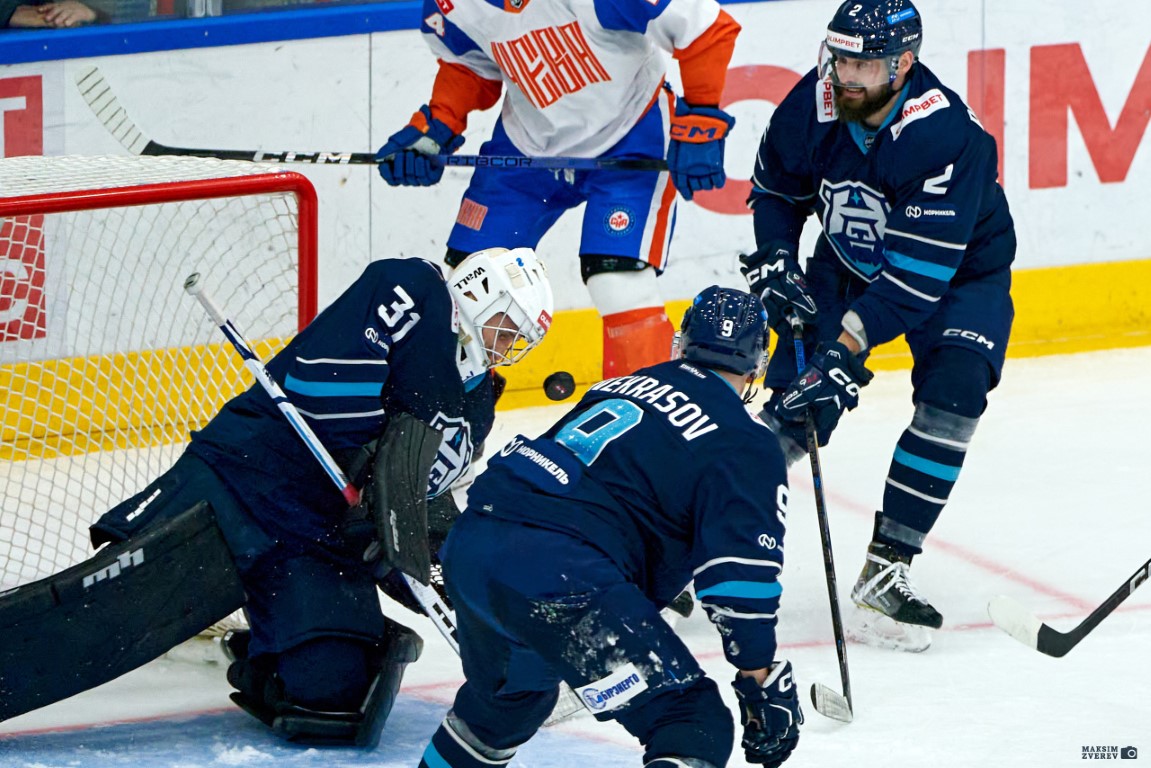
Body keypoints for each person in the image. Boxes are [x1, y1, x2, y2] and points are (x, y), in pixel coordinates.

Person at [0, 247, 554, 746]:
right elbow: (323, 382)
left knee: (335, 702)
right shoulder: (414, 288)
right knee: (98, 615)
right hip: (247, 479)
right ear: (480, 290)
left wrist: (427, 561)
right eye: (509, 325)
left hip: (316, 539)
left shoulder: (476, 406)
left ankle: (260, 644)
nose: (510, 346)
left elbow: (418, 500)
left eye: (522, 340)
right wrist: (378, 481)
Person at [418, 285, 803, 768]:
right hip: (559, 575)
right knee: (690, 723)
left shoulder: (624, 385)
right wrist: (757, 676)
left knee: (507, 702)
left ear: (680, 344)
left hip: (474, 543)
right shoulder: (747, 441)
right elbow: (739, 581)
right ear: (756, 367)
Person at [739, 0, 1015, 652]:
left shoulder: (944, 137)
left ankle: (887, 565)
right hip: (841, 266)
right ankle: (690, 539)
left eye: (862, 62)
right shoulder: (812, 103)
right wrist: (778, 261)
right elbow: (777, 192)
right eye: (839, 57)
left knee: (955, 391)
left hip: (957, 281)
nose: (844, 74)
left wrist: (840, 349)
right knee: (795, 409)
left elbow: (913, 283)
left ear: (903, 64)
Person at [376, 0, 741, 379]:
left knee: (618, 284)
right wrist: (436, 126)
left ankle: (653, 418)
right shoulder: (453, 5)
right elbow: (469, 63)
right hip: (526, 146)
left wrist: (702, 117)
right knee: (469, 285)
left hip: (631, 134)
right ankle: (446, 418)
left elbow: (706, 27)